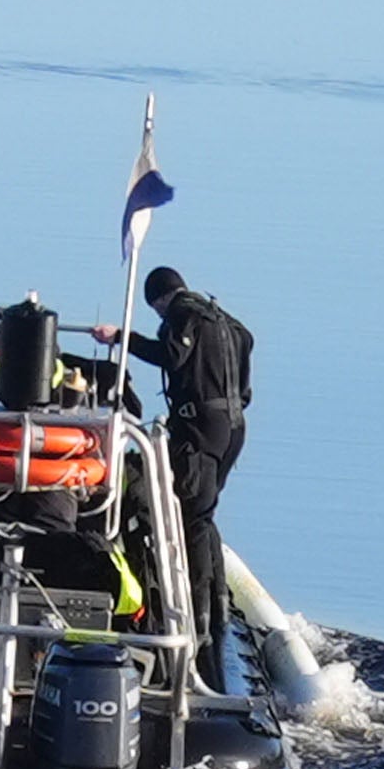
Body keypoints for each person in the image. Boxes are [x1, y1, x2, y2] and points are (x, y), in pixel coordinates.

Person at [117, 264, 252, 686]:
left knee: (192, 519)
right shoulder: (226, 320)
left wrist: (124, 340)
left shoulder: (181, 313)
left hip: (199, 431)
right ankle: (219, 611)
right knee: (206, 514)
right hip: (233, 429)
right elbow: (249, 345)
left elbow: (172, 354)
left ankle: (197, 624)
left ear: (159, 300)